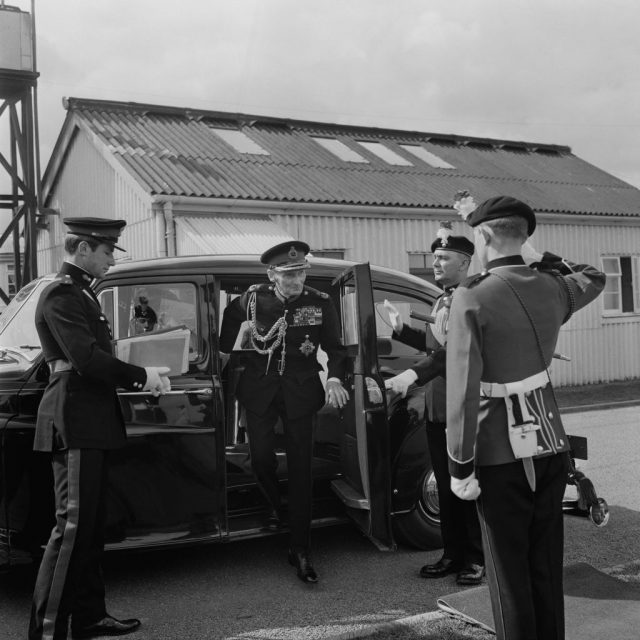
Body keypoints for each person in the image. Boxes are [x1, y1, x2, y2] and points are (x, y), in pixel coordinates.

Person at [445, 196, 605, 640]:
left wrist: (460, 464)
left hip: (498, 452)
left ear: (482, 236)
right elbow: (595, 276)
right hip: (550, 441)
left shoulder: (471, 295)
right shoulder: (551, 286)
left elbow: (462, 387)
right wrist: (542, 258)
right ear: (525, 237)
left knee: (508, 573)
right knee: (545, 564)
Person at [29, 217, 171, 640]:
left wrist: (140, 369)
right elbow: (87, 360)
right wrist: (140, 375)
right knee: (71, 530)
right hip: (75, 419)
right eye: (108, 251)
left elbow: (92, 358)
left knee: (88, 529)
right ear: (84, 249)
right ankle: (47, 631)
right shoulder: (62, 294)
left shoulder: (81, 296)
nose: (111, 259)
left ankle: (88, 617)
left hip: (90, 418)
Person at [220, 240, 349, 584]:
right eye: (289, 274)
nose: (296, 280)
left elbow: (337, 350)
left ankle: (301, 548)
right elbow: (225, 344)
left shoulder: (320, 303)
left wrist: (335, 377)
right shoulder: (250, 300)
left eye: (301, 272)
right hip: (259, 391)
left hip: (301, 392)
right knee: (261, 458)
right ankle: (279, 508)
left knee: (301, 468)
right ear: (272, 274)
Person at [383, 230, 484, 585]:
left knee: (467, 485)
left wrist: (411, 374)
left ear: (465, 262)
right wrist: (400, 330)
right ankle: (453, 554)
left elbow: (450, 352)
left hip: (463, 406)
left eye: (444, 258)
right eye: (435, 258)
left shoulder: (472, 298)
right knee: (445, 487)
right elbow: (433, 345)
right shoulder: (444, 300)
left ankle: (476, 558)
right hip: (439, 406)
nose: (436, 264)